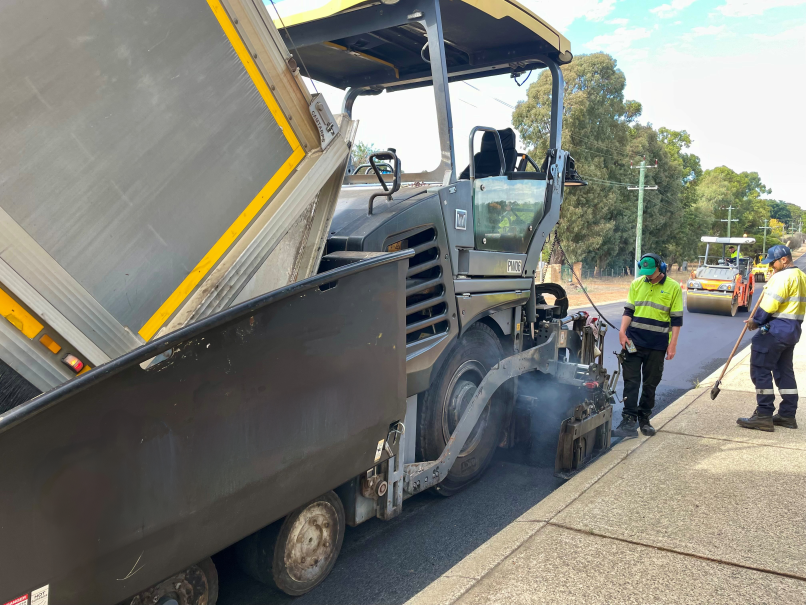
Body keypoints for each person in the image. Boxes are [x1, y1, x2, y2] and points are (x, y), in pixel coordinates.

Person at [737, 245, 806, 431]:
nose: (771, 267)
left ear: (784, 260)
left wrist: (755, 321)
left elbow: (770, 304)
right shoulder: (801, 276)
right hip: (791, 332)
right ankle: (787, 415)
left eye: (773, 263)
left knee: (760, 369)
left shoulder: (782, 277)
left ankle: (764, 414)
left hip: (776, 331)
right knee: (784, 371)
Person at [614, 253, 683, 437]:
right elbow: (629, 310)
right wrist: (622, 331)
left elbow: (676, 320)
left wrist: (672, 344)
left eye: (650, 272)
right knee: (631, 382)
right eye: (644, 272)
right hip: (633, 341)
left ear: (660, 267)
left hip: (657, 344)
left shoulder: (673, 287)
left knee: (650, 383)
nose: (648, 275)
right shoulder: (637, 283)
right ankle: (628, 421)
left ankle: (644, 419)